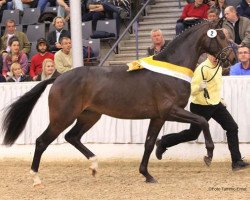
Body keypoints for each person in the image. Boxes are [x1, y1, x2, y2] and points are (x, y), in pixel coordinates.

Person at [155, 54, 250, 171]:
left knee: (232, 127)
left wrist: (219, 99)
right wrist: (199, 87)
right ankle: (163, 142)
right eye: (213, 55)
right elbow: (191, 90)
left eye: (217, 55)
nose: (215, 57)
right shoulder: (202, 69)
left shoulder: (218, 67)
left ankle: (236, 161)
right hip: (200, 106)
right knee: (192, 134)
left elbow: (214, 87)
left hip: (215, 104)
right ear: (208, 55)